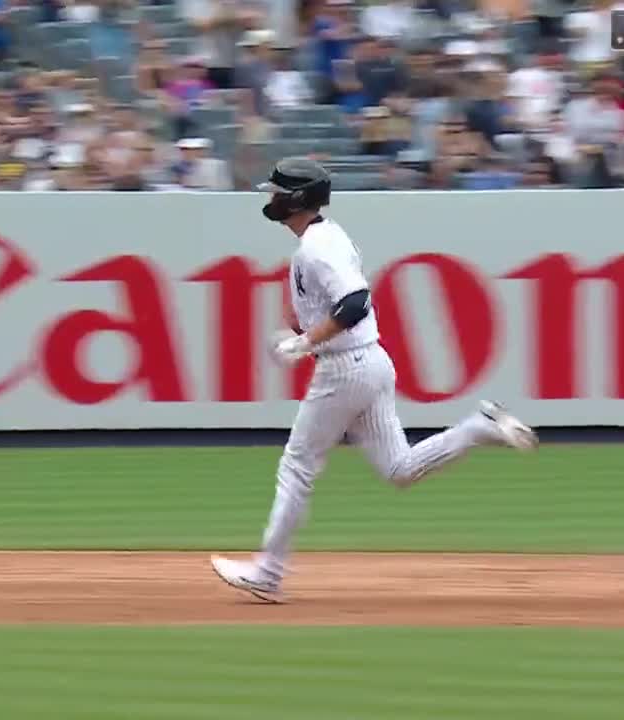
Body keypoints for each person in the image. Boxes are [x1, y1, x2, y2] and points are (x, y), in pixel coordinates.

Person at [209, 157, 538, 603]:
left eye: (278, 192)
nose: (271, 198)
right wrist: (304, 336)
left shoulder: (315, 248)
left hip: (344, 368)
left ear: (297, 199)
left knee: (297, 465)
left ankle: (268, 572)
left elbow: (355, 303)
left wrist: (306, 343)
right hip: (371, 361)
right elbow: (337, 305)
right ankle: (477, 429)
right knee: (399, 469)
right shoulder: (326, 236)